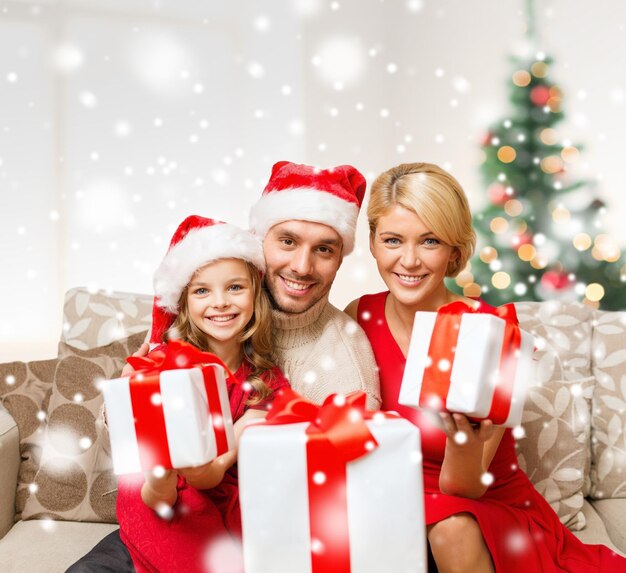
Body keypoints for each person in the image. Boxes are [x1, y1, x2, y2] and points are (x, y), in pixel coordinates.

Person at [345, 162, 626, 573]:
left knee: (450, 528)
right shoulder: (359, 315)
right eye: (392, 240)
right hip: (399, 496)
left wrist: (462, 441)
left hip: (479, 500)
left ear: (454, 251)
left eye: (429, 241)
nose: (409, 260)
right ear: (371, 242)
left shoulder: (489, 331)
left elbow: (467, 484)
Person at [68, 215, 289, 573]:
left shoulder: (266, 383)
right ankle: (161, 481)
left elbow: (213, 472)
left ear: (256, 294)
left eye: (235, 287)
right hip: (150, 495)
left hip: (210, 497)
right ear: (184, 304)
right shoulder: (162, 363)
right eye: (202, 291)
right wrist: (126, 401)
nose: (220, 302)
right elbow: (128, 445)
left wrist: (186, 463)